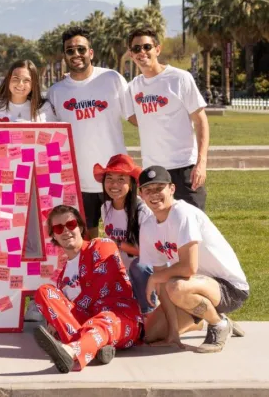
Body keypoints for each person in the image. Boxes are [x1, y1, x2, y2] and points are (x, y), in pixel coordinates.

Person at [138, 165, 248, 353]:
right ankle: (211, 316)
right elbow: (161, 280)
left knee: (176, 286)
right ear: (141, 194)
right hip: (192, 287)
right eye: (148, 190)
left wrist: (156, 278)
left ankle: (218, 323)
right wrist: (173, 333)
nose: (154, 194)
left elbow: (188, 268)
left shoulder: (183, 214)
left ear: (172, 189)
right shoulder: (148, 226)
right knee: (151, 334)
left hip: (229, 288)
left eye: (159, 188)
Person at [0, 59, 57, 322]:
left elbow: (54, 143)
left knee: (38, 244)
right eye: (16, 78)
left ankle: (38, 302)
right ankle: (2, 299)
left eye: (26, 79)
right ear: (8, 78)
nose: (21, 84)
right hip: (0, 188)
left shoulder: (44, 108)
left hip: (35, 189)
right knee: (2, 244)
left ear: (34, 83)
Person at [33, 205, 143, 373]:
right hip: (87, 322)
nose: (65, 231)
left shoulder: (102, 245)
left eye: (70, 224)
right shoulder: (62, 279)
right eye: (58, 227)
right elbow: (64, 311)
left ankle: (70, 352)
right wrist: (54, 320)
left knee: (102, 320)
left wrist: (64, 318)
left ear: (81, 227)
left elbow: (99, 287)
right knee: (44, 292)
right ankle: (95, 348)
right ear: (53, 235)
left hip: (118, 316)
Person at [48, 26, 132, 240]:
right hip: (80, 180)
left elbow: (135, 117)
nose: (76, 54)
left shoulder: (112, 79)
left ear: (91, 53)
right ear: (64, 55)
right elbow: (49, 137)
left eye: (81, 49)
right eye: (70, 50)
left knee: (125, 238)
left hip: (115, 177)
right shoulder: (56, 92)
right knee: (87, 239)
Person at [126, 28, 209, 211]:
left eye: (147, 46)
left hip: (185, 167)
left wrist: (201, 163)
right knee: (163, 230)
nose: (142, 52)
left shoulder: (179, 78)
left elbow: (200, 120)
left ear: (157, 49)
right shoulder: (133, 87)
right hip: (154, 170)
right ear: (131, 54)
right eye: (136, 48)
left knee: (194, 229)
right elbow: (134, 118)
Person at [93, 153, 154, 315]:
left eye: (121, 179)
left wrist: (115, 244)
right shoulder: (105, 207)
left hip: (145, 274)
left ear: (132, 184)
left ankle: (149, 311)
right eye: (109, 178)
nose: (114, 184)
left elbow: (150, 252)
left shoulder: (143, 211)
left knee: (139, 266)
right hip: (121, 273)